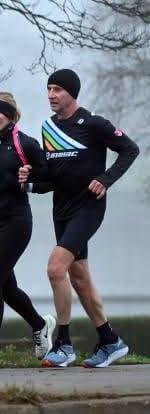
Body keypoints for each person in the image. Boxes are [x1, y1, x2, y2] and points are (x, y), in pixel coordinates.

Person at [19, 69, 139, 368]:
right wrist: (29, 180)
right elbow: (51, 176)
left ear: (72, 92)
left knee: (55, 269)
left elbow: (129, 149)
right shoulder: (49, 128)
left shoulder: (93, 124)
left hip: (88, 209)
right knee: (80, 279)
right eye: (48, 89)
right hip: (61, 210)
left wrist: (106, 179)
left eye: (57, 89)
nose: (51, 95)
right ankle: (111, 341)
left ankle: (63, 344)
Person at [0, 92, 55, 369]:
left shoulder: (25, 144)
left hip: (16, 221)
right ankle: (40, 325)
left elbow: (48, 179)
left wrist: (30, 180)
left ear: (10, 116)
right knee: (6, 287)